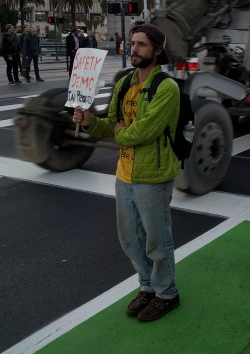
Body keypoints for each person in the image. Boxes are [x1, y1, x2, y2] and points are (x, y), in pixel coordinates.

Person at [72, 24, 182, 321]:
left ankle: (167, 293)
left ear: (157, 50)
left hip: (153, 176)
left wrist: (121, 132)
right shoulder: (124, 84)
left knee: (157, 239)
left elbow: (145, 131)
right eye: (132, 43)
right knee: (129, 238)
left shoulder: (167, 87)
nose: (133, 49)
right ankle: (147, 286)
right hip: (124, 174)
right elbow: (112, 125)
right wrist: (90, 122)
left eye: (142, 44)